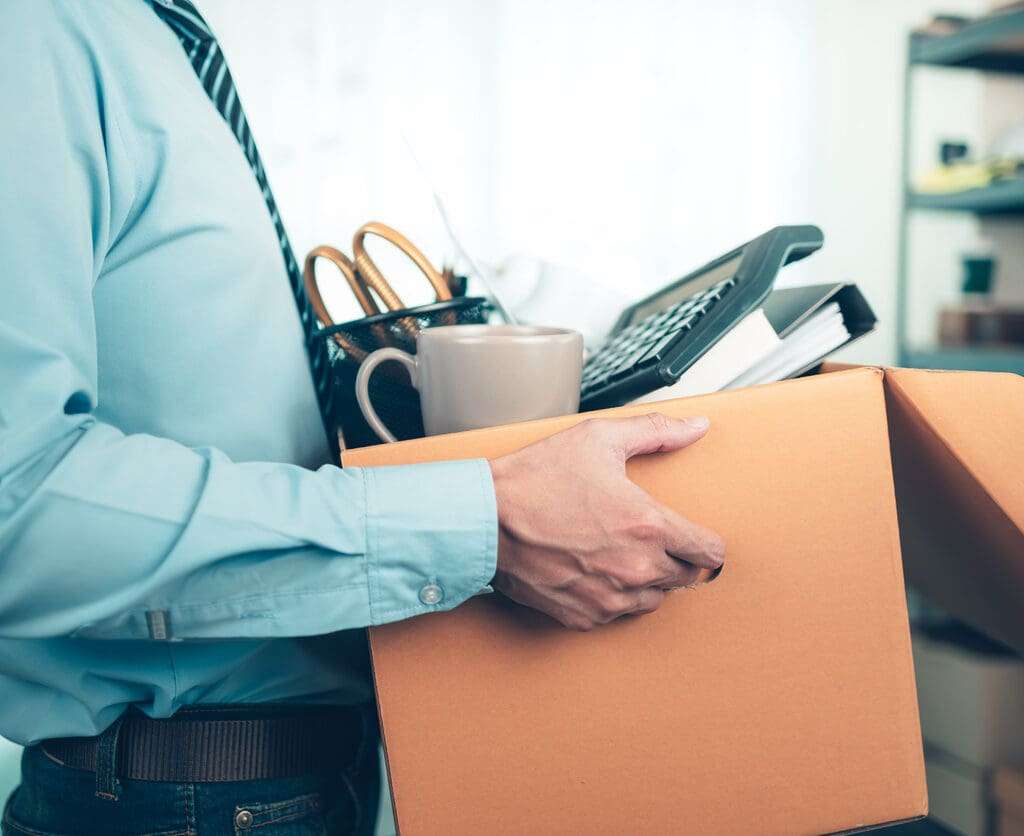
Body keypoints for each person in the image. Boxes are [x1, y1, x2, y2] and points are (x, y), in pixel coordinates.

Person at [0, 2, 725, 834]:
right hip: (188, 798)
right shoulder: (33, 31)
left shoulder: (155, 39)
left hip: (306, 780)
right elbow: (14, 503)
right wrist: (484, 519)